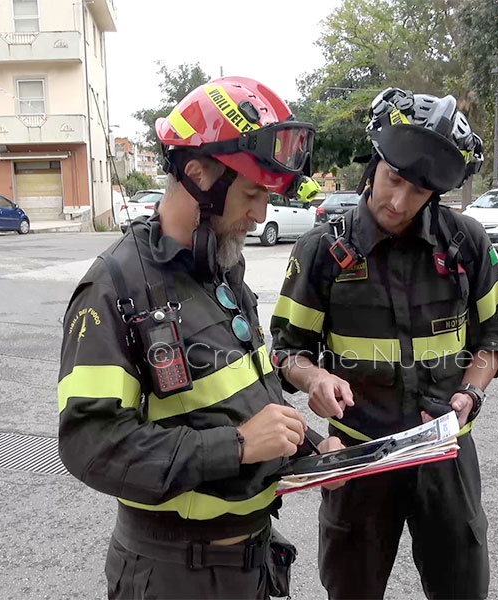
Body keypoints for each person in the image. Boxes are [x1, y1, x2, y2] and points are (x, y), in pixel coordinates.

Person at [57, 76, 340, 599]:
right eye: (252, 193)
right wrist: (235, 446)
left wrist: (311, 449)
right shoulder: (113, 286)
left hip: (250, 566)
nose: (261, 214)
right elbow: (89, 445)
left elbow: (248, 399)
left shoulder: (222, 268)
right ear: (198, 175)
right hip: (172, 575)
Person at [270, 87, 498, 599]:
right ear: (375, 160)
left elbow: (494, 337)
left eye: (419, 191)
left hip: (444, 453)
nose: (399, 202)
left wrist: (471, 393)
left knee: (463, 587)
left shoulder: (466, 243)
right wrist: (312, 377)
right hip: (357, 460)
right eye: (394, 179)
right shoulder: (321, 251)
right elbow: (286, 350)